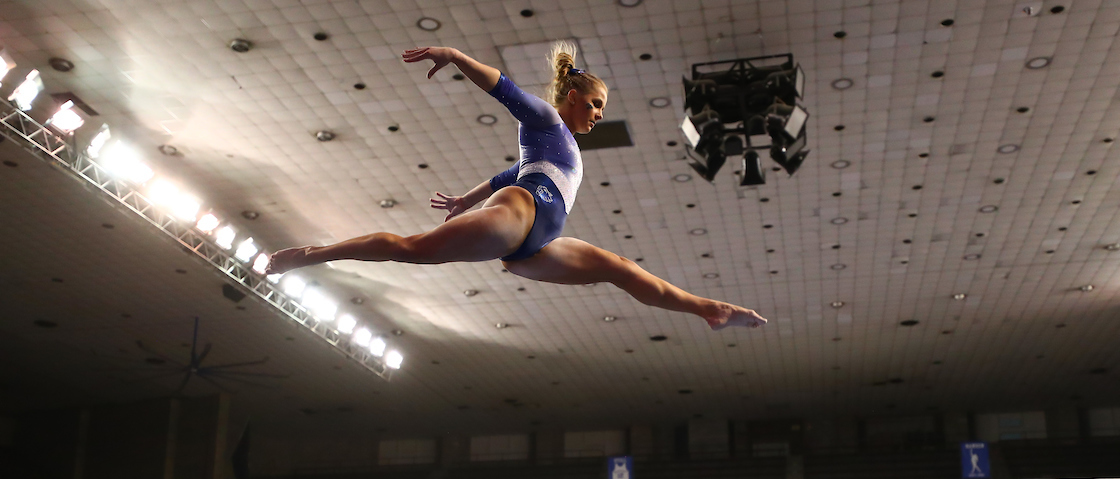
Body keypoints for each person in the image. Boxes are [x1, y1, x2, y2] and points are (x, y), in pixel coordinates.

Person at [265, 43, 767, 333]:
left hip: (538, 244)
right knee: (411, 250)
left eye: (601, 109)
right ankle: (313, 254)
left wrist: (466, 198)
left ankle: (708, 309)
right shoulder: (546, 118)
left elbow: (514, 171)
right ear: (573, 95)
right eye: (595, 104)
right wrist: (454, 55)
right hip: (522, 214)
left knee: (621, 269)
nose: (598, 114)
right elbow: (503, 90)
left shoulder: (559, 145)